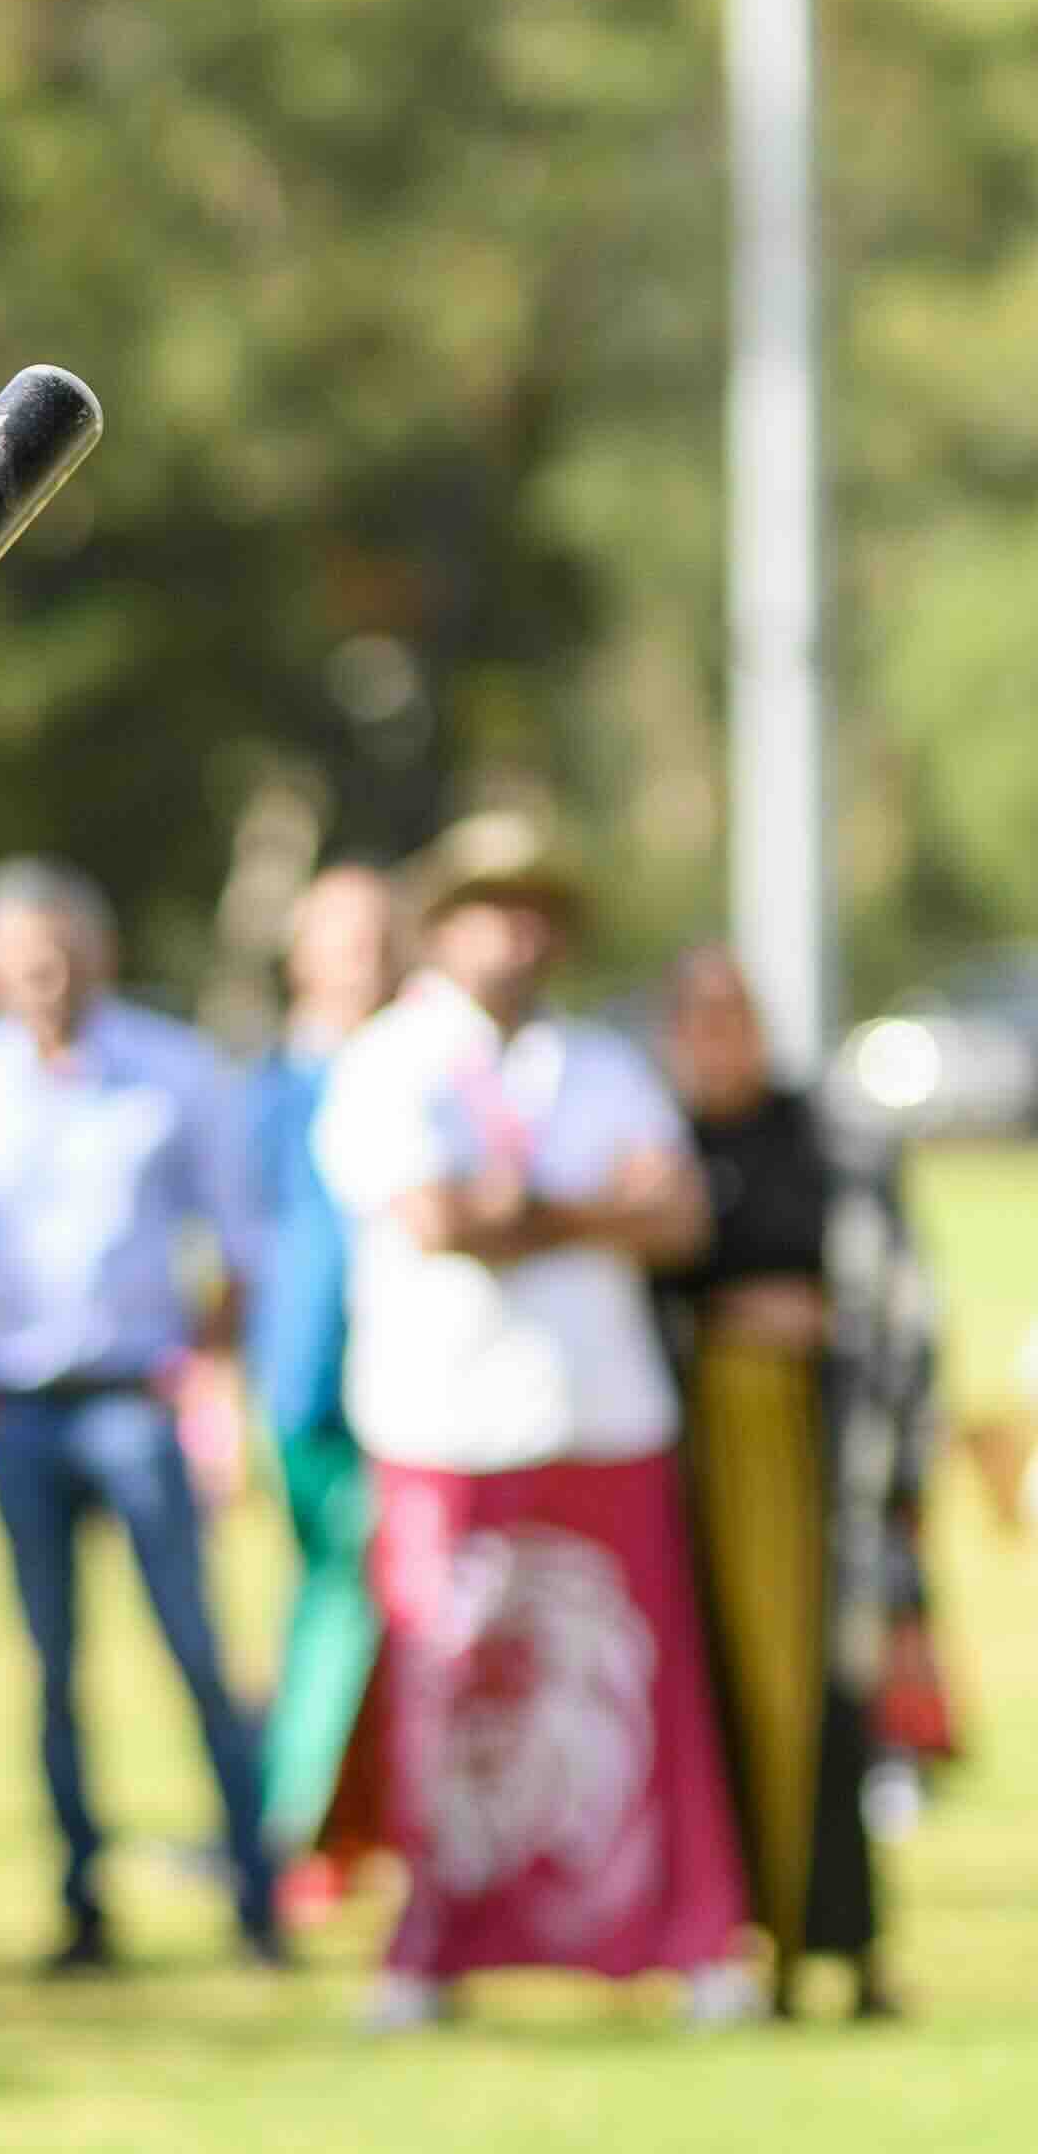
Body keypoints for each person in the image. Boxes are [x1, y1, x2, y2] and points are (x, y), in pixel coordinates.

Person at [314, 813, 750, 2024]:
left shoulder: (602, 1065)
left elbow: (674, 1222)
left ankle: (689, 1942)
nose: (511, 936)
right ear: (442, 927)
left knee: (634, 1692)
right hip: (443, 1424)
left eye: (530, 912)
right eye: (485, 911)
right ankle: (430, 1952)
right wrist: (581, 1213)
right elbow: (437, 1221)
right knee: (446, 1693)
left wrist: (527, 1213)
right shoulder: (389, 1061)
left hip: (600, 1417)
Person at [0, 861, 280, 1973]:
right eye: (23, 960)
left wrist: (206, 1378)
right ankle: (80, 1901)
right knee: (50, 1666)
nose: (47, 978)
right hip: (22, 1410)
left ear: (99, 955)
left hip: (137, 1402)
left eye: (62, 954)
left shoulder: (174, 1071)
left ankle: (255, 1890)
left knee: (196, 1653)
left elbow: (237, 1249)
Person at [656, 942, 942, 2017]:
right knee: (725, 1695)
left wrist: (825, 1332)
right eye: (697, 1018)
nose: (717, 1038)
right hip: (711, 1471)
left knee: (836, 1697)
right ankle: (742, 1945)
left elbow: (896, 1294)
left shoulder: (826, 1140)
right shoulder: (660, 1148)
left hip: (825, 1460)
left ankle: (846, 1947)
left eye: (734, 1014)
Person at [249, 863, 403, 1906]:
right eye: (345, 937)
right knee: (340, 1595)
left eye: (380, 936)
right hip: (305, 1383)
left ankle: (369, 1826)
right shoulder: (267, 1088)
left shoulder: (420, 1066)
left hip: (419, 1373)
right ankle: (293, 1827)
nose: (366, 958)